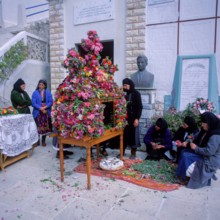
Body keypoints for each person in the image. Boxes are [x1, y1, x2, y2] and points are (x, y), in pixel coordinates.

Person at [177, 112, 220, 189]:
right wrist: (187, 143)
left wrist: (196, 148)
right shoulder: (206, 130)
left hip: (210, 160)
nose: (202, 125)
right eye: (202, 123)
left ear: (210, 122)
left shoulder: (215, 135)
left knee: (186, 156)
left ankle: (189, 177)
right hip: (204, 154)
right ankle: (183, 175)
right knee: (184, 151)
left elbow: (210, 152)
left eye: (204, 123)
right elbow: (196, 138)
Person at [122, 78, 143, 159]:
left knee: (134, 136)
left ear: (130, 85)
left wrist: (137, 118)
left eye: (126, 85)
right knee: (124, 135)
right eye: (123, 85)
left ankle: (133, 153)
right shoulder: (124, 94)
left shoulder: (136, 94)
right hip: (125, 119)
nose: (125, 87)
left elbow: (140, 107)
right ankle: (122, 151)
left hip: (134, 119)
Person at [32, 79, 53, 147]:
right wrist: (40, 108)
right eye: (39, 84)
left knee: (45, 127)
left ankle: (43, 140)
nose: (40, 86)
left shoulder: (48, 92)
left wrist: (45, 107)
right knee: (37, 126)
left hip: (45, 111)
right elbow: (33, 103)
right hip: (38, 111)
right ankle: (37, 141)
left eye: (42, 85)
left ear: (44, 86)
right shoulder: (35, 93)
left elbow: (51, 101)